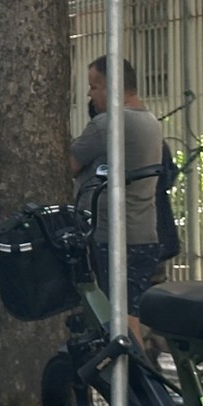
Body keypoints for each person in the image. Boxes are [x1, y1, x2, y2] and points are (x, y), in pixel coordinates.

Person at [71, 56, 162, 339]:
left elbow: (68, 163)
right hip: (142, 230)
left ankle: (131, 376)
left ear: (114, 87)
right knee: (130, 309)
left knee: (117, 315)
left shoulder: (109, 123)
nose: (89, 94)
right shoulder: (149, 120)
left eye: (95, 86)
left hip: (113, 235)